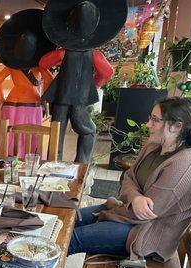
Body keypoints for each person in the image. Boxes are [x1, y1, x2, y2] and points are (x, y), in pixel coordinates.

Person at [69, 97, 191, 262]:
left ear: (177, 126)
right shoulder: (153, 146)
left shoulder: (184, 165)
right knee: (67, 220)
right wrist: (135, 197)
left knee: (71, 238)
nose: (148, 124)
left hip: (146, 234)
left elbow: (145, 213)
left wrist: (113, 211)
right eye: (150, 118)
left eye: (155, 120)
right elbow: (128, 176)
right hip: (128, 215)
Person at [39, 0, 126, 163]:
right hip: (81, 99)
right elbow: (107, 72)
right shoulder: (94, 54)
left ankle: (53, 163)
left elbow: (42, 64)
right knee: (87, 131)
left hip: (60, 98)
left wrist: (51, 75)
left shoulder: (62, 53)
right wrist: (94, 85)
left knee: (57, 133)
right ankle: (82, 164)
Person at [0, 9, 56, 159]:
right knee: (31, 136)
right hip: (31, 105)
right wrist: (44, 98)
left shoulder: (11, 66)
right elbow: (50, 81)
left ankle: (6, 163)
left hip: (10, 104)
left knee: (8, 136)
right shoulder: (39, 67)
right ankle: (28, 162)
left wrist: (1, 100)